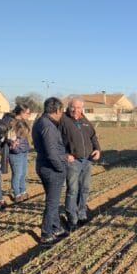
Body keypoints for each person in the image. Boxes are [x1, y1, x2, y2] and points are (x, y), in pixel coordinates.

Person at [60, 97, 101, 230]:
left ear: (81, 108)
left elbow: (93, 136)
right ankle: (72, 219)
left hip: (87, 160)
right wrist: (65, 154)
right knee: (73, 190)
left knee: (84, 189)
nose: (75, 110)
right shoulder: (63, 121)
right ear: (68, 107)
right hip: (73, 161)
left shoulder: (85, 121)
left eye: (78, 108)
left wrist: (97, 149)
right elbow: (56, 141)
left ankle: (82, 214)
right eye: (73, 107)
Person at [32, 97, 68, 244]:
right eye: (62, 111)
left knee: (52, 200)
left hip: (44, 165)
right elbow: (51, 153)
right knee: (52, 203)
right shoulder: (48, 126)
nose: (62, 114)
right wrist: (60, 168)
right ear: (57, 110)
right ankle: (46, 233)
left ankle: (56, 227)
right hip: (51, 168)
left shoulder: (40, 122)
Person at [3, 104, 31, 201]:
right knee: (17, 173)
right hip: (15, 153)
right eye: (28, 113)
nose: (29, 115)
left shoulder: (22, 121)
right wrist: (12, 142)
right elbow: (7, 136)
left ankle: (23, 191)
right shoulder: (9, 121)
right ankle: (17, 194)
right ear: (21, 112)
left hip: (23, 150)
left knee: (23, 173)